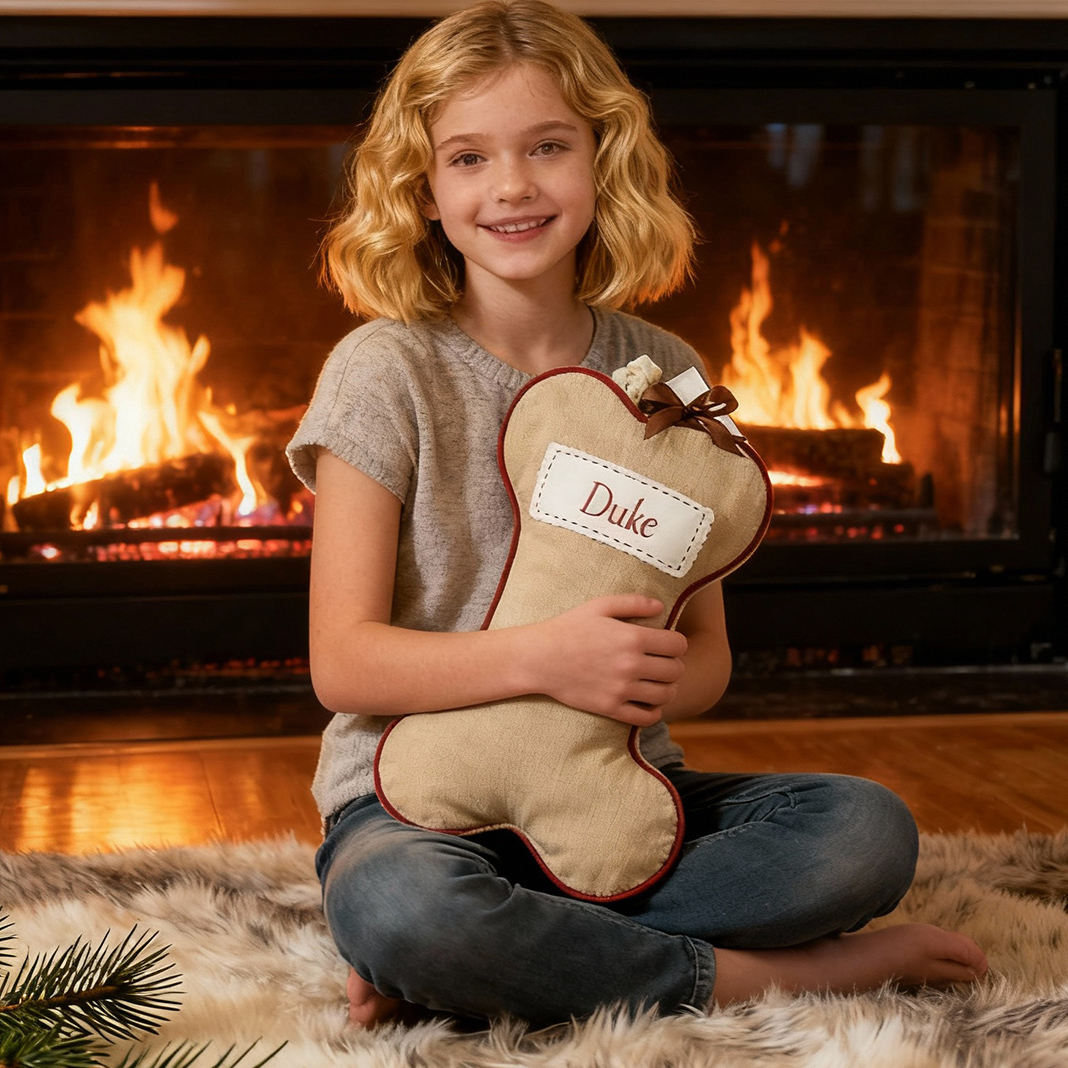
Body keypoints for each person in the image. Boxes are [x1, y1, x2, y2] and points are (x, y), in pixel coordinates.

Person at [286, 0, 987, 1030]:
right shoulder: (383, 371)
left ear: (604, 161)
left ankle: (501, 958)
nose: (513, 185)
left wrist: (655, 675)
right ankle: (775, 978)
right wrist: (548, 658)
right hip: (413, 806)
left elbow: (704, 658)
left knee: (864, 833)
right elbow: (343, 663)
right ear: (424, 190)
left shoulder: (663, 376)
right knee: (406, 902)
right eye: (469, 158)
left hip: (623, 797)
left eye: (548, 147)